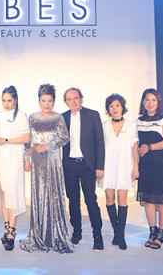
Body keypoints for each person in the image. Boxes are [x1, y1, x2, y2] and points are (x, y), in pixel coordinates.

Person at [19, 83, 74, 254]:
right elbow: (27, 141)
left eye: (50, 101)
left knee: (54, 194)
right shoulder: (32, 118)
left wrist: (48, 146)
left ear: (54, 101)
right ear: (39, 101)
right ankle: (39, 233)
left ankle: (55, 234)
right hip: (37, 162)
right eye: (43, 100)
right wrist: (26, 159)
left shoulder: (58, 118)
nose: (47, 104)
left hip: (53, 161)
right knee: (39, 195)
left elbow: (65, 137)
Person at [61, 87, 105, 250]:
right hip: (69, 165)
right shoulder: (62, 118)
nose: (73, 101)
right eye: (69, 99)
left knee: (90, 200)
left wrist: (99, 166)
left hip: (87, 165)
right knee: (73, 201)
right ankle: (77, 231)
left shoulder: (92, 115)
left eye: (75, 98)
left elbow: (100, 143)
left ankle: (97, 235)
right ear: (66, 102)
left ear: (81, 99)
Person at [0, 85, 30, 251]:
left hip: (14, 157)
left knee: (12, 192)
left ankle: (12, 233)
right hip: (0, 157)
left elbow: (26, 138)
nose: (6, 103)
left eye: (9, 100)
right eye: (4, 100)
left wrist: (7, 141)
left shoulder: (21, 115)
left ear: (15, 100)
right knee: (3, 192)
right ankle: (6, 227)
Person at [98, 93, 139, 250]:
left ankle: (120, 235)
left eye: (117, 105)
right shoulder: (104, 126)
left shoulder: (131, 125)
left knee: (122, 200)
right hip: (108, 166)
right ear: (108, 109)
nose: (114, 109)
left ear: (122, 107)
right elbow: (99, 148)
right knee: (109, 199)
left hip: (125, 166)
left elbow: (135, 147)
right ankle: (117, 232)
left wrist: (136, 167)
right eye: (111, 106)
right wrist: (98, 168)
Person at [136, 88, 163, 250]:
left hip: (161, 165)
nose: (150, 103)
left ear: (158, 102)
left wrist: (149, 147)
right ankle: (152, 232)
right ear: (143, 102)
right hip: (145, 166)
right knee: (149, 199)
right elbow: (135, 145)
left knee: (162, 200)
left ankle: (161, 233)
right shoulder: (139, 121)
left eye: (153, 100)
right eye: (147, 99)